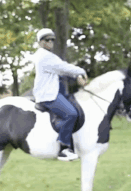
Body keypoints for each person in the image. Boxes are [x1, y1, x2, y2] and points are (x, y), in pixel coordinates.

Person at [33, 28, 88, 161]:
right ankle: (63, 149)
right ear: (40, 42)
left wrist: (76, 77)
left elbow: (61, 72)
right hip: (48, 95)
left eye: (52, 39)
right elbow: (64, 67)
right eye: (47, 40)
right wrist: (81, 71)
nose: (50, 42)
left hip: (53, 92)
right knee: (71, 113)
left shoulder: (48, 56)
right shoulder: (44, 56)